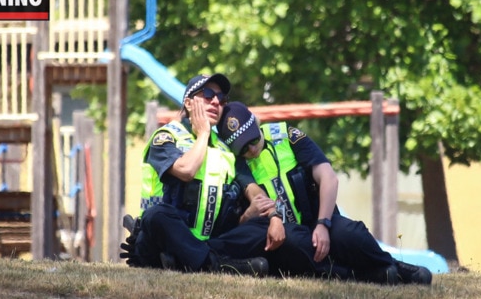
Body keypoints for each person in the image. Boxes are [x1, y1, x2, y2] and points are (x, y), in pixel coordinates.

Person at [120, 74, 328, 278]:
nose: (216, 101)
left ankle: (193, 261)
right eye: (208, 94)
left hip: (208, 242)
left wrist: (273, 217)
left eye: (221, 98)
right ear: (189, 103)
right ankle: (217, 265)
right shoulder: (166, 137)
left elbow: (254, 191)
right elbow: (186, 170)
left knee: (261, 227)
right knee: (157, 215)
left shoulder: (226, 150)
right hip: (162, 240)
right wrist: (203, 133)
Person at [218, 101, 433, 285]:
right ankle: (362, 276)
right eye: (244, 148)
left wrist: (323, 224)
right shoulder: (237, 164)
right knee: (295, 244)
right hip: (285, 235)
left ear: (257, 125)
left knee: (350, 233)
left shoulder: (287, 136)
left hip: (318, 220)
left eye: (253, 140)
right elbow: (255, 195)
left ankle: (393, 266)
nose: (252, 150)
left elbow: (328, 177)